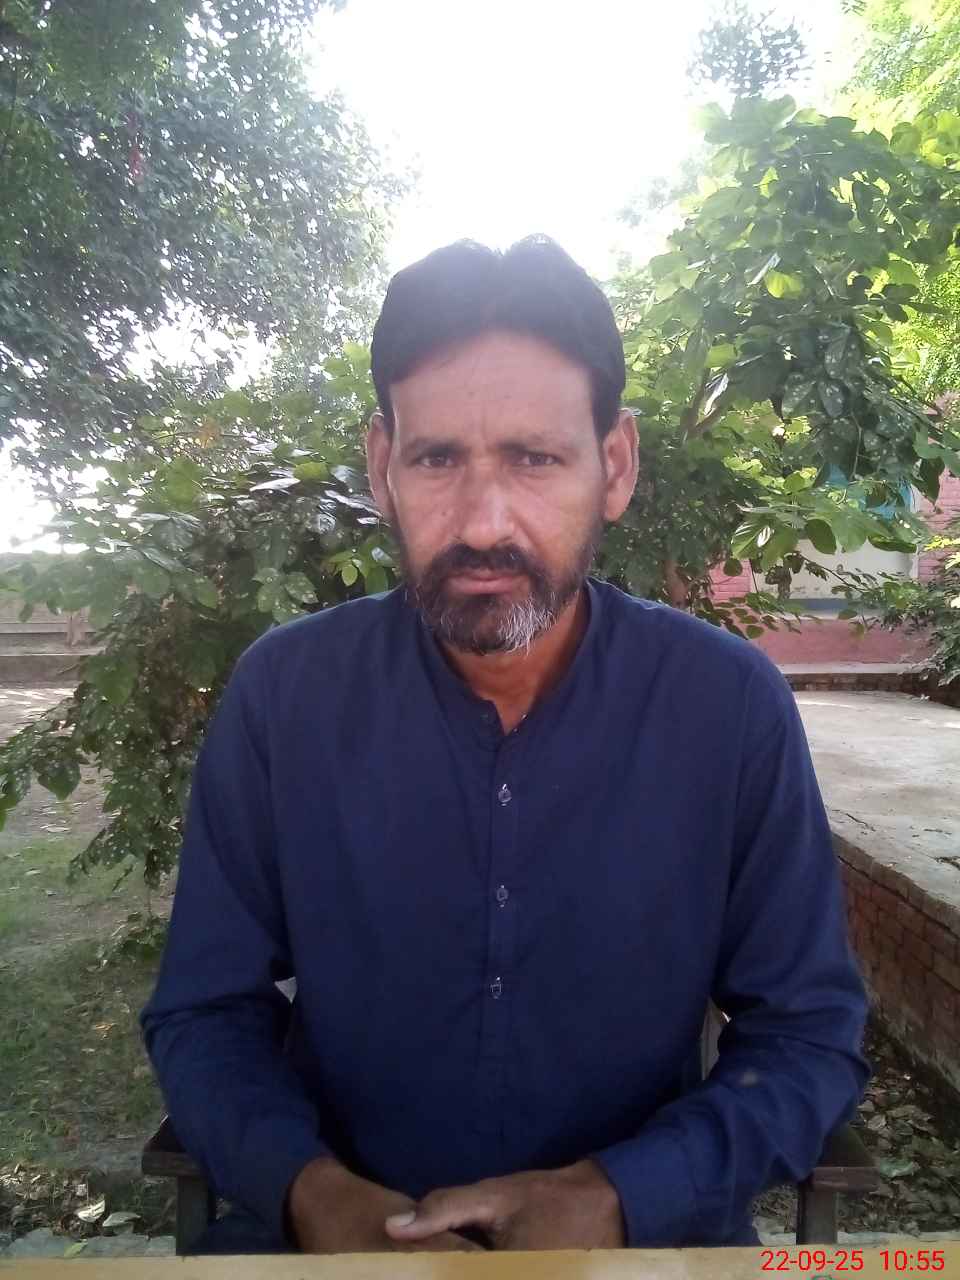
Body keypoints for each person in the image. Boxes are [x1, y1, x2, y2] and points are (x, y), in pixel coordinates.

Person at [140, 236, 870, 1255]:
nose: (484, 523)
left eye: (535, 458)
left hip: (641, 1252)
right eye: (438, 458)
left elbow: (807, 1030)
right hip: (335, 1249)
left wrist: (619, 1194)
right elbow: (205, 1010)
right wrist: (314, 1195)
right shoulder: (286, 698)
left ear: (614, 466)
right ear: (382, 468)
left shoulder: (725, 705)